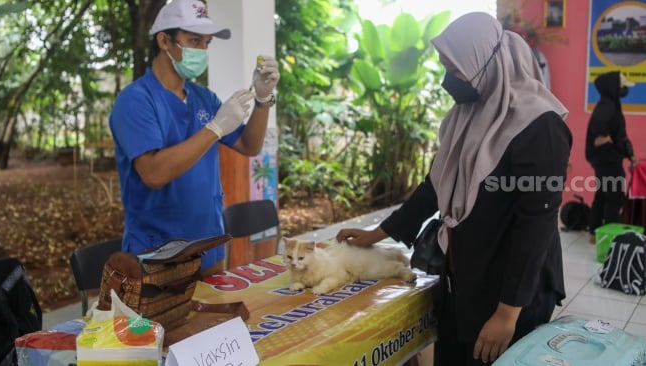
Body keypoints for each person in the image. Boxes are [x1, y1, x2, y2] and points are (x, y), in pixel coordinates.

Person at [336, 12, 571, 365]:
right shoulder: (468, 115)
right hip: (465, 275)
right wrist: (376, 234)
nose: (450, 79)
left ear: (487, 63)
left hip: (514, 289)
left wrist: (507, 314)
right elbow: (435, 186)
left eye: (456, 68)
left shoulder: (540, 126)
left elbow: (535, 226)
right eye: (446, 66)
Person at [109, 0, 279, 276]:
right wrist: (214, 128)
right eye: (194, 41)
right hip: (157, 254)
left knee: (215, 318)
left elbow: (249, 146)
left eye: (206, 43)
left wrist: (262, 99)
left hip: (208, 245)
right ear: (165, 41)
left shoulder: (203, 98)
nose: (202, 51)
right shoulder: (135, 100)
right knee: (163, 320)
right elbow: (153, 174)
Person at [585, 71, 637, 242]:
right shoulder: (608, 106)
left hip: (606, 160)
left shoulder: (609, 104)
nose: (623, 89)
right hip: (607, 160)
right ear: (613, 87)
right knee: (613, 198)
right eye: (621, 86)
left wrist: (630, 154)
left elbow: (620, 136)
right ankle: (611, 239)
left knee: (602, 195)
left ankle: (595, 234)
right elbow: (599, 127)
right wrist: (604, 137)